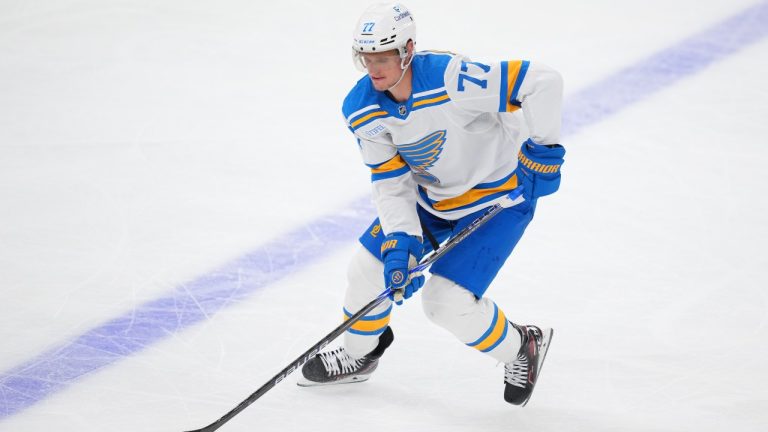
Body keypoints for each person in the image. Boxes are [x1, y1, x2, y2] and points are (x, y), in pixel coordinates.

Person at [298, 2, 564, 406]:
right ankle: (359, 353)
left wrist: (542, 148)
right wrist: (401, 239)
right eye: (366, 57)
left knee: (444, 304)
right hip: (432, 201)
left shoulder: (450, 78)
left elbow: (543, 81)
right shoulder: (362, 108)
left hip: (500, 198)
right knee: (368, 269)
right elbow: (389, 179)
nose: (374, 68)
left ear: (407, 49)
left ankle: (521, 346)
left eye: (384, 56)